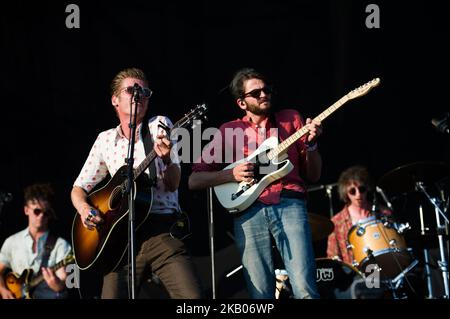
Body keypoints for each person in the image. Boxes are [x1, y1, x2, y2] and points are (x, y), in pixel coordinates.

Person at [189, 67, 323, 299]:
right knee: (259, 294)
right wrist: (231, 175)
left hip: (289, 202)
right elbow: (194, 180)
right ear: (242, 103)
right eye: (256, 92)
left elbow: (314, 175)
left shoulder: (291, 119)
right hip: (249, 212)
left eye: (267, 90)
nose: (264, 95)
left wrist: (311, 146)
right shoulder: (229, 131)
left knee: (304, 287)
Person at [70, 67, 203, 299]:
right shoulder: (105, 140)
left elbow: (173, 184)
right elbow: (78, 188)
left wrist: (167, 158)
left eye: (144, 92)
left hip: (161, 234)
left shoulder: (159, 125)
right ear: (115, 100)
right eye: (131, 90)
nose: (138, 95)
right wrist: (85, 209)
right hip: (120, 242)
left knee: (193, 301)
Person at [0, 183, 72, 299]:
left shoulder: (62, 245)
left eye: (46, 213)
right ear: (26, 210)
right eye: (37, 211)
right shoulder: (11, 242)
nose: (41, 216)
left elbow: (67, 281)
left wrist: (59, 286)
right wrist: (3, 290)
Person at [326, 165, 391, 265]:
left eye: (362, 189)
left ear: (367, 189)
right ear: (346, 193)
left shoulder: (383, 212)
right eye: (352, 191)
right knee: (371, 278)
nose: (358, 194)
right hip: (356, 274)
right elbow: (332, 256)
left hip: (387, 265)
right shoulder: (336, 221)